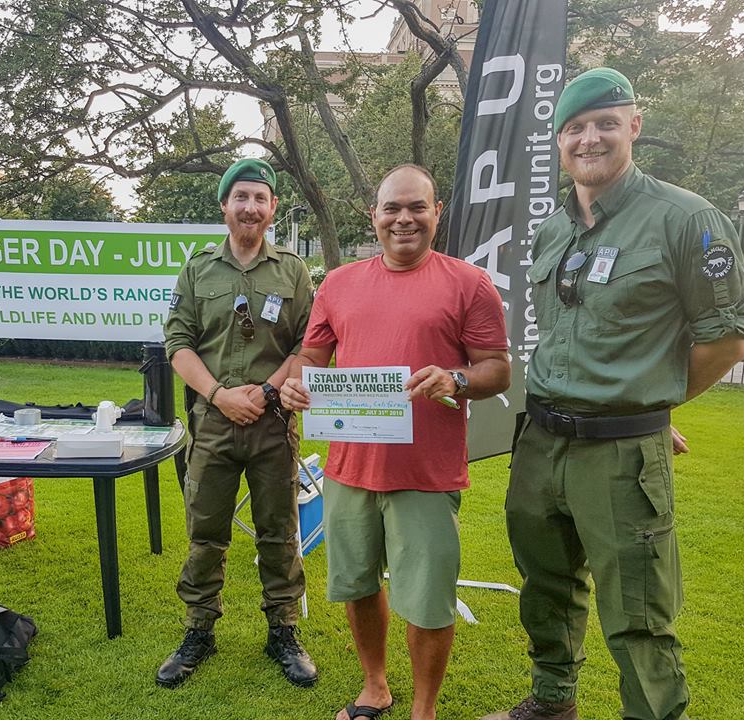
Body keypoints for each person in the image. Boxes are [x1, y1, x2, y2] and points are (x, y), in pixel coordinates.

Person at [482, 68, 744, 720]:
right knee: (546, 587)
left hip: (621, 455)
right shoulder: (553, 230)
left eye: (606, 123)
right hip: (541, 441)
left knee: (638, 612)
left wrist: (649, 405)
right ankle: (552, 703)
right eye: (575, 127)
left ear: (635, 124)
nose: (590, 138)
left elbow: (726, 340)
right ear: (559, 140)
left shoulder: (686, 219)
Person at [281, 164, 511, 720]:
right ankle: (375, 687)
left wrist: (455, 379)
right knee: (357, 585)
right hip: (349, 468)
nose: (404, 219)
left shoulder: (469, 282)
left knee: (428, 601)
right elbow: (311, 355)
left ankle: (423, 711)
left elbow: (498, 369)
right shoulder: (338, 283)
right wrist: (295, 382)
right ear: (374, 216)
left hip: (426, 473)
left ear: (437, 213)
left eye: (416, 207)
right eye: (392, 208)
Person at [159, 157, 318, 689]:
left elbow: (308, 344)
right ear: (224, 205)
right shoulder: (198, 269)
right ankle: (198, 630)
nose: (250, 207)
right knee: (205, 533)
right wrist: (219, 395)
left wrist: (268, 391)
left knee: (279, 533)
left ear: (273, 208)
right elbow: (178, 343)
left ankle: (283, 631)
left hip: (274, 425)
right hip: (213, 423)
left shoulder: (292, 271)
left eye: (260, 198)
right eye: (241, 197)